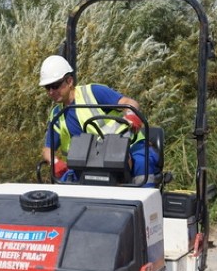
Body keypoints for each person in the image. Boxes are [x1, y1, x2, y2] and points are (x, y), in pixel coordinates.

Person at [38, 55, 159, 184]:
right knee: (65, 181)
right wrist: (55, 162)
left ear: (69, 81)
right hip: (88, 162)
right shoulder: (57, 114)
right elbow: (47, 150)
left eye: (55, 85)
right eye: (47, 87)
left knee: (142, 164)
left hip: (129, 147)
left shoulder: (93, 92)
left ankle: (146, 201)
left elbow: (129, 103)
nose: (51, 92)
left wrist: (131, 115)